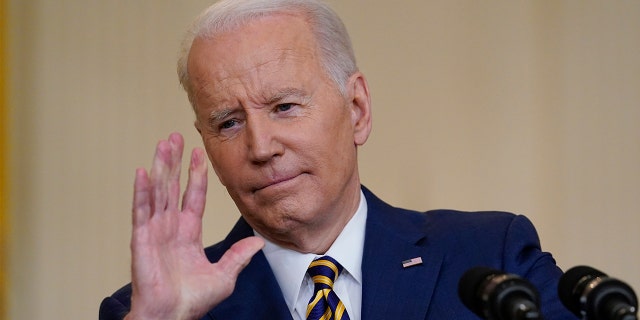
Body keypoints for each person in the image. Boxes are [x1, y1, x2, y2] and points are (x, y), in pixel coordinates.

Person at [100, 0, 578, 319]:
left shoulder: (488, 257)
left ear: (357, 109)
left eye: (284, 107)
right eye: (228, 122)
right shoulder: (152, 310)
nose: (261, 147)